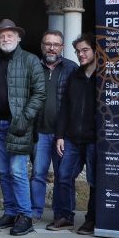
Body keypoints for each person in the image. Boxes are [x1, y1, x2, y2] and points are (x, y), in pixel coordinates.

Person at [0, 19, 46, 236]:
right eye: (2, 35)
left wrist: (24, 118)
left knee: (18, 171)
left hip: (19, 126)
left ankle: (25, 216)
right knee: (3, 172)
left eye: (10, 35)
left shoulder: (30, 61)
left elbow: (40, 93)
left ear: (18, 37)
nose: (5, 38)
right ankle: (10, 212)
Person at [52, 33, 98, 235]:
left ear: (96, 51)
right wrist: (60, 135)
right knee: (63, 176)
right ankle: (66, 217)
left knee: (94, 181)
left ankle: (91, 220)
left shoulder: (104, 77)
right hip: (71, 138)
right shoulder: (75, 76)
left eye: (85, 50)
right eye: (78, 51)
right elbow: (65, 108)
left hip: (95, 140)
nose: (80, 54)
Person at [33, 30, 78, 226]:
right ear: (42, 46)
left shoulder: (72, 69)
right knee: (38, 173)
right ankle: (34, 212)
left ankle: (63, 214)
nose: (51, 47)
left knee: (63, 175)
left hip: (64, 134)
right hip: (40, 132)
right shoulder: (34, 66)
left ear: (62, 47)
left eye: (56, 44)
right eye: (47, 43)